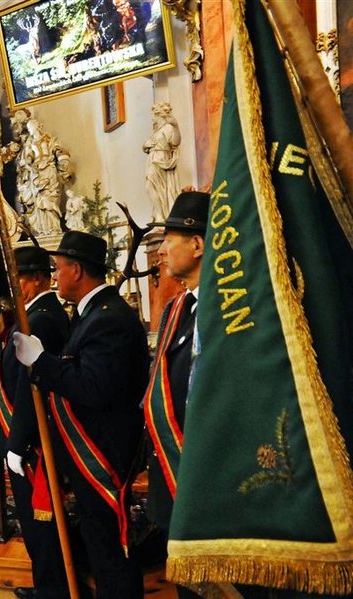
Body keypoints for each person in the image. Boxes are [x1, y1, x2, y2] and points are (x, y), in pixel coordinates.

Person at [12, 231, 148, 599]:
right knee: (97, 537)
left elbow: (92, 387)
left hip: (102, 451)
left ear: (76, 270)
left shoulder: (109, 317)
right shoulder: (92, 313)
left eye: (58, 268)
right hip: (90, 446)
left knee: (110, 545)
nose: (54, 276)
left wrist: (42, 361)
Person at [0, 246, 70, 599]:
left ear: (37, 279)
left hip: (31, 441)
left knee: (40, 521)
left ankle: (53, 590)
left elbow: (29, 387)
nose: (13, 287)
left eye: (18, 278)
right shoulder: (34, 314)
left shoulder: (42, 319)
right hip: (24, 435)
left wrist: (17, 443)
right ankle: (48, 585)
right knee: (34, 520)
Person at [143, 191, 208, 599]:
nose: (162, 250)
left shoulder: (226, 310)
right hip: (172, 475)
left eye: (169, 240)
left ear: (197, 244)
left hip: (205, 479)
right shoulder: (176, 308)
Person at [143, 102, 182, 222]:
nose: (152, 118)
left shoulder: (168, 127)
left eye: (153, 115)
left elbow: (175, 142)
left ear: (158, 114)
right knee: (150, 185)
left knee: (156, 186)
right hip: (153, 159)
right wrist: (145, 145)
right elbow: (147, 145)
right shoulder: (157, 130)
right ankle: (159, 214)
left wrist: (176, 126)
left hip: (162, 159)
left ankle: (162, 214)